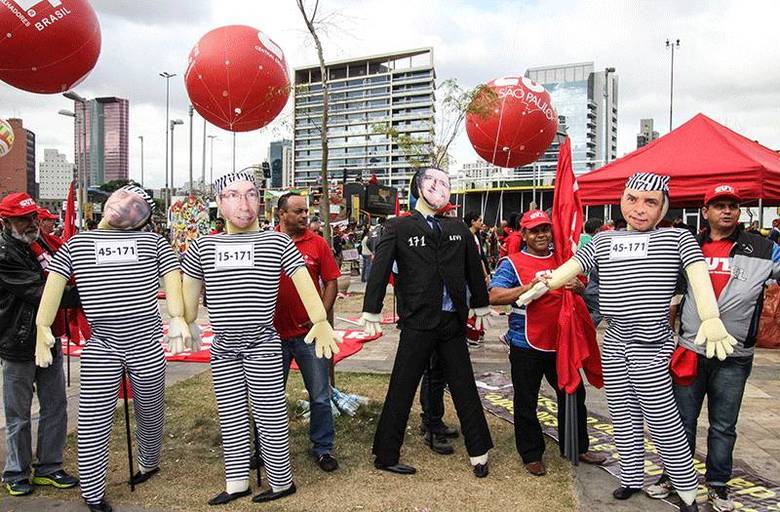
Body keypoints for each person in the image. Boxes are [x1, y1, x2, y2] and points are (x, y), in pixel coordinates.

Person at [518, 173, 737, 512]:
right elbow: (573, 267)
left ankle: (687, 489)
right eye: (632, 199)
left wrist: (710, 316)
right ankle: (631, 478)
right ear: (622, 199)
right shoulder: (604, 241)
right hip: (616, 341)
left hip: (652, 344)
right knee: (622, 416)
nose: (639, 209)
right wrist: (545, 284)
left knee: (664, 420)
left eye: (650, 201)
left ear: (663, 205)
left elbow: (698, 276)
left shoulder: (678, 239)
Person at [182, 172, 340, 506]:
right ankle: (237, 479)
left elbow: (303, 282)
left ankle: (282, 481)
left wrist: (321, 320)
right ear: (219, 201)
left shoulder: (277, 243)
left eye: (251, 194)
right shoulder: (204, 247)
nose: (243, 203)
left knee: (270, 413)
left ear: (261, 200)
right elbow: (190, 292)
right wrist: (184, 320)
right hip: (224, 346)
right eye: (232, 195)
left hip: (263, 342)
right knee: (232, 415)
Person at [36, 185, 192, 512]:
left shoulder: (153, 243)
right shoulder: (78, 244)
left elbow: (172, 277)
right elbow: (53, 284)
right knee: (94, 417)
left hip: (146, 341)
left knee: (151, 409)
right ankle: (93, 492)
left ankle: (149, 462)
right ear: (109, 201)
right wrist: (42, 326)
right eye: (124, 200)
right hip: (102, 343)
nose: (126, 208)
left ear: (143, 219)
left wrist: (178, 316)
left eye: (137, 207)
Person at [646, 184, 780, 512]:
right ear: (705, 212)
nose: (726, 211)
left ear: (739, 211)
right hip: (691, 349)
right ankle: (673, 477)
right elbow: (672, 290)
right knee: (681, 421)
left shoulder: (763, 247)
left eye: (732, 205)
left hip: (735, 356)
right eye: (718, 205)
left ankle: (718, 485)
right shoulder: (688, 245)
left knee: (723, 425)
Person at [360, 167, 493, 478]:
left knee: (463, 385)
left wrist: (481, 302)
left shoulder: (458, 227)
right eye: (432, 183)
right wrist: (371, 309)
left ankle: (479, 450)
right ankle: (385, 452)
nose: (439, 188)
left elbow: (473, 267)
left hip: (451, 320)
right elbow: (379, 271)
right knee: (402, 386)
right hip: (418, 320)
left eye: (444, 183)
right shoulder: (397, 227)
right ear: (418, 188)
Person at [488, 210, 606, 476]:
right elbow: (495, 296)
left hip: (562, 343)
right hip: (526, 344)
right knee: (526, 400)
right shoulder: (512, 263)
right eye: (534, 230)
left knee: (574, 394)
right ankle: (531, 453)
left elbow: (582, 286)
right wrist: (529, 286)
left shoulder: (564, 258)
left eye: (545, 229)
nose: (541, 235)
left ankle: (576, 446)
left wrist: (577, 287)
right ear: (524, 234)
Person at [0, 193, 79, 498]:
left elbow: (64, 272)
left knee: (56, 405)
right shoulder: (5, 253)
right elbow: (42, 292)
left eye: (33, 216)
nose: (32, 223)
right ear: (6, 222)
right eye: (23, 219)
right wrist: (89, 293)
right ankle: (16, 472)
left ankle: (49, 466)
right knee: (18, 413)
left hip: (49, 338)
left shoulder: (43, 243)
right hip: (19, 344)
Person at [274, 192, 341, 472]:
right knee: (268, 397)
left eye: (306, 212)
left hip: (309, 335)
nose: (305, 216)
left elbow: (331, 282)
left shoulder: (318, 244)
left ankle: (323, 448)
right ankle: (266, 449)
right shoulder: (267, 243)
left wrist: (320, 319)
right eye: (298, 212)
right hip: (271, 336)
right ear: (281, 214)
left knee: (320, 395)